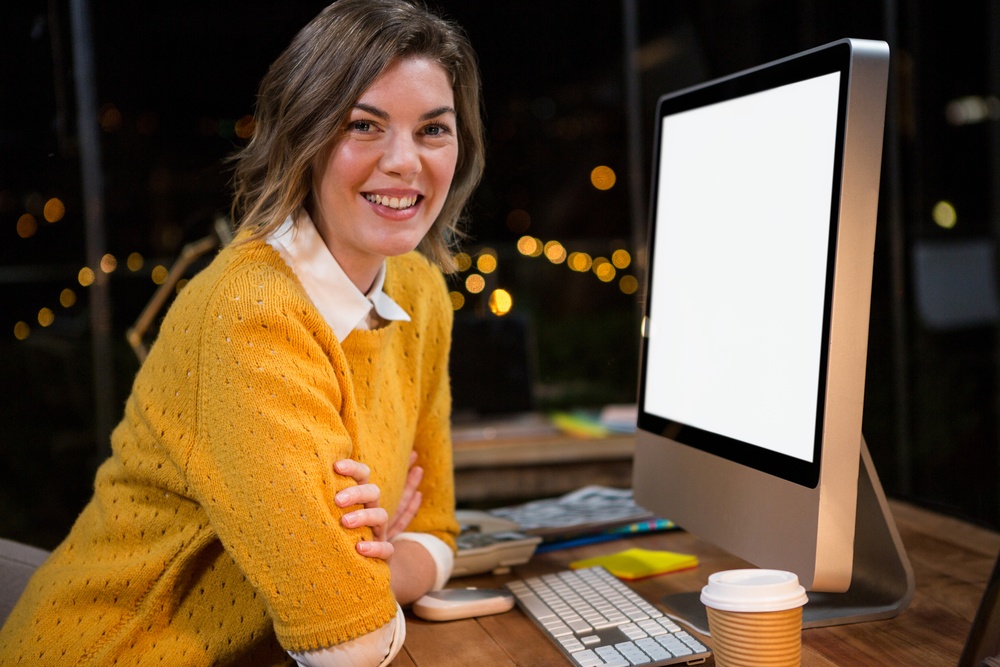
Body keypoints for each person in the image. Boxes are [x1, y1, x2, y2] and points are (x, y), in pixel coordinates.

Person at [0, 0, 485, 664]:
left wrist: (377, 564)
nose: (406, 161)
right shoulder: (252, 313)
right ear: (304, 137)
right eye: (364, 125)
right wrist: (371, 572)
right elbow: (351, 641)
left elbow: (437, 527)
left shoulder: (421, 291)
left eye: (433, 129)